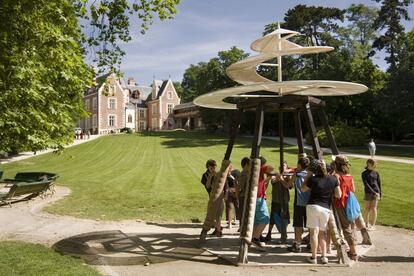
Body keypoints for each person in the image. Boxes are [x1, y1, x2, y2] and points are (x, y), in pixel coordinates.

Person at [301, 159, 341, 265]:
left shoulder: (313, 179)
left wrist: (308, 176)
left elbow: (303, 189)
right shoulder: (333, 179)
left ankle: (313, 257)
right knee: (322, 233)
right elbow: (338, 194)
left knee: (314, 232)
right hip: (325, 208)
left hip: (313, 206)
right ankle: (324, 256)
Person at [333, 155, 371, 261]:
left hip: (340, 204)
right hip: (350, 204)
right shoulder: (349, 176)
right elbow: (353, 189)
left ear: (336, 164)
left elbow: (337, 194)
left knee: (345, 228)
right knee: (351, 226)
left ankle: (353, 252)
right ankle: (352, 249)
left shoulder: (336, 176)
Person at [280, 156, 311, 252]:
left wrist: (281, 178)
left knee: (298, 224)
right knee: (310, 224)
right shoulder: (310, 175)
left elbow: (288, 185)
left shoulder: (297, 174)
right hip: (310, 203)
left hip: (299, 203)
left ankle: (297, 244)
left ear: (299, 165)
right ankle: (311, 243)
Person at [266, 161, 293, 244]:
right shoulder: (275, 176)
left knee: (285, 217)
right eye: (281, 166)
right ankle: (269, 233)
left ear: (286, 167)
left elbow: (290, 186)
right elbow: (273, 181)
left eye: (284, 165)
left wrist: (285, 177)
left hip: (284, 200)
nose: (282, 167)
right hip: (276, 200)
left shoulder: (288, 176)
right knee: (273, 218)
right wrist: (280, 177)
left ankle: (283, 234)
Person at [251, 156, 273, 251]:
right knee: (265, 219)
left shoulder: (255, 172)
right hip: (258, 199)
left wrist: (268, 178)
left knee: (256, 221)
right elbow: (270, 168)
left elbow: (262, 184)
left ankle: (254, 237)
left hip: (256, 198)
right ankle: (255, 238)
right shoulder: (259, 169)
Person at [362, 158, 382, 231]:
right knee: (367, 208)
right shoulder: (364, 173)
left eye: (373, 165)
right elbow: (366, 184)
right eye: (370, 164)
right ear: (368, 164)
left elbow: (379, 184)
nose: (371, 166)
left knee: (374, 208)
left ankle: (373, 225)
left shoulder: (376, 173)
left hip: (376, 193)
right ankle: (366, 223)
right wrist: (374, 192)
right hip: (368, 192)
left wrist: (380, 194)